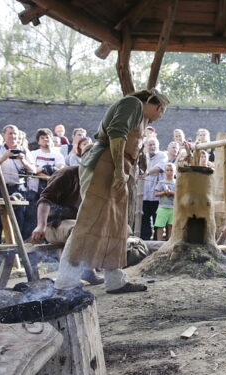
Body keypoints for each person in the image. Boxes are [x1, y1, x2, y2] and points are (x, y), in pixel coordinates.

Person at [54, 89, 169, 294]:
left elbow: (129, 140)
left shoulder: (140, 115)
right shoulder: (132, 103)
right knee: (90, 221)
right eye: (162, 112)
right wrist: (118, 170)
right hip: (105, 164)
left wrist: (135, 158)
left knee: (115, 225)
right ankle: (65, 281)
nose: (160, 117)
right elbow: (117, 134)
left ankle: (115, 280)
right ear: (158, 106)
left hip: (117, 166)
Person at [30, 166, 103, 285]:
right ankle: (69, 276)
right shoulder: (68, 174)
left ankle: (88, 270)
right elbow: (45, 199)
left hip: (78, 222)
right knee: (79, 229)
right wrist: (41, 225)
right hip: (53, 224)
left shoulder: (100, 178)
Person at [0, 125, 36, 245]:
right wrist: (4, 157)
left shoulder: (24, 150)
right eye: (10, 133)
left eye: (15, 134)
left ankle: (14, 249)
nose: (13, 136)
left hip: (18, 187)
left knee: (18, 218)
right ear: (3, 135)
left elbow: (33, 170)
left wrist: (23, 160)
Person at [24, 128, 66, 240]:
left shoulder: (58, 155)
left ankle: (48, 240)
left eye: (47, 137)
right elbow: (33, 170)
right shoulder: (33, 154)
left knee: (50, 216)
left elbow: (60, 170)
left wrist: (46, 170)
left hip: (52, 189)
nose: (45, 139)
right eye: (42, 138)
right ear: (38, 141)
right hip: (35, 188)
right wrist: (45, 170)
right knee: (33, 216)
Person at [140, 138, 167, 240]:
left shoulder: (162, 155)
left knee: (157, 219)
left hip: (157, 195)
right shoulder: (143, 157)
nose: (152, 147)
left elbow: (159, 168)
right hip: (144, 194)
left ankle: (157, 239)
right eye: (150, 145)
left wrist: (145, 173)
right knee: (144, 218)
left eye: (154, 145)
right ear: (146, 147)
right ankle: (145, 239)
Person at [153, 163, 176, 241]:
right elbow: (156, 194)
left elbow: (179, 195)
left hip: (173, 208)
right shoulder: (161, 182)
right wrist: (164, 193)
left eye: (171, 170)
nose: (169, 172)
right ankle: (158, 242)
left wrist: (170, 193)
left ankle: (169, 242)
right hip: (162, 207)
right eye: (167, 170)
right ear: (165, 172)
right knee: (160, 226)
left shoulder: (176, 183)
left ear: (174, 171)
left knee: (171, 226)